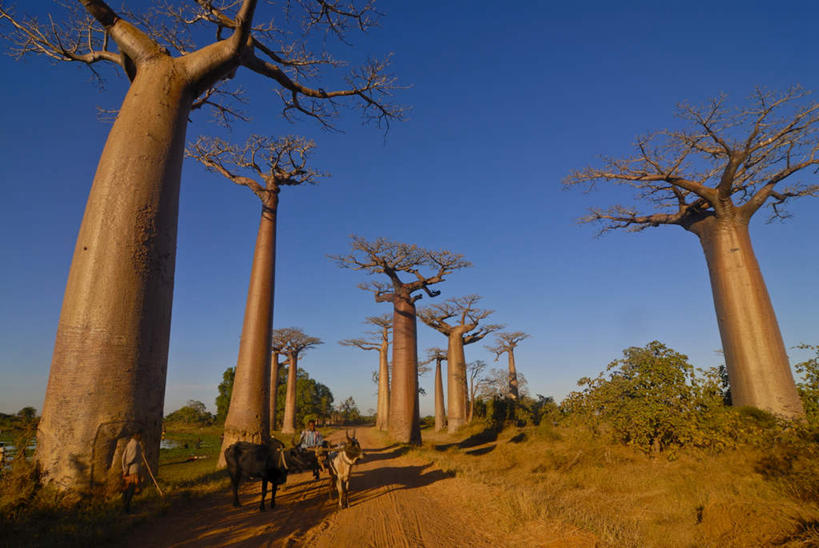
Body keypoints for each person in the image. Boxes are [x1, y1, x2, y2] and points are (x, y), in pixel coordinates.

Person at [121, 431, 144, 513]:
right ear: (136, 435)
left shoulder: (133, 443)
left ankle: (125, 505)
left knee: (129, 487)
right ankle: (126, 506)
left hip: (133, 469)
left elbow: (124, 456)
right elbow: (130, 458)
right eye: (140, 435)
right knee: (131, 487)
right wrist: (126, 469)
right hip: (133, 469)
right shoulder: (134, 444)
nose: (141, 437)